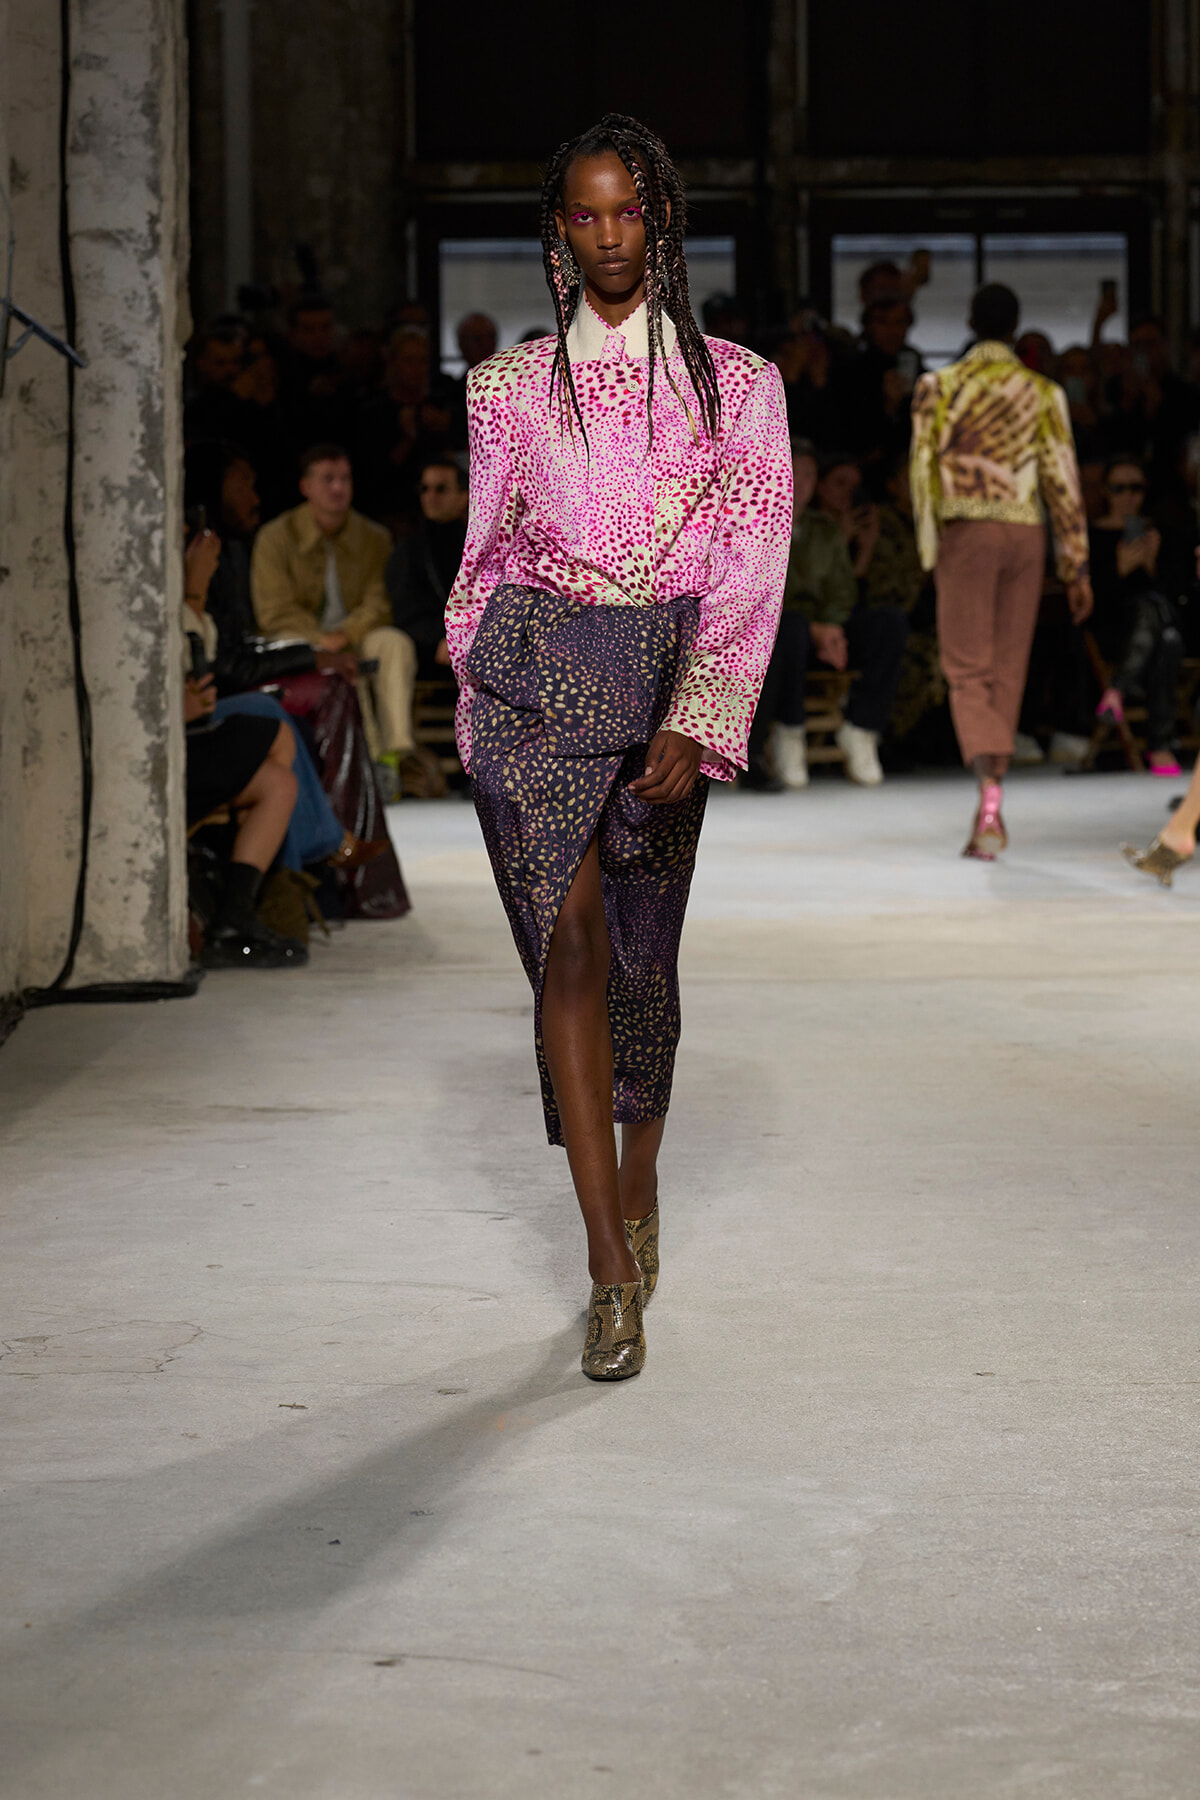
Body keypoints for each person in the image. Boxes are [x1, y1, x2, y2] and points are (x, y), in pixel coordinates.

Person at [445, 113, 790, 1381]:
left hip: (658, 680)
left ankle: (640, 1179)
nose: (605, 236)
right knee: (571, 946)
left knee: (642, 959)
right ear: (556, 233)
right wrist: (471, 682)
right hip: (533, 679)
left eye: (626, 213)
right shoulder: (503, 388)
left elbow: (752, 562)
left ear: (661, 223)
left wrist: (700, 715)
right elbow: (483, 553)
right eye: (582, 216)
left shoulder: (739, 385)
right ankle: (603, 1259)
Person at [910, 283, 1092, 858]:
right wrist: (1077, 564)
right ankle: (996, 788)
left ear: (971, 320)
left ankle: (988, 792)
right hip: (1026, 530)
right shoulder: (1043, 392)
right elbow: (1062, 480)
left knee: (968, 665)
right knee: (1009, 664)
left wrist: (929, 548)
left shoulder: (938, 386)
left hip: (967, 528)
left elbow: (921, 473)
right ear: (1015, 328)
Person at [250, 443, 432, 796]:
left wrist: (346, 633)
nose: (338, 488)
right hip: (302, 638)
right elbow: (273, 610)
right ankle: (360, 763)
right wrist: (322, 639)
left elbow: (380, 600)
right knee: (328, 660)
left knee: (393, 643)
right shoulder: (276, 537)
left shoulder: (373, 537)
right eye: (328, 479)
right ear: (306, 486)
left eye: (345, 479)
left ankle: (393, 756)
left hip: (354, 635)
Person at [748, 440, 907, 789]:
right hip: (780, 635)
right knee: (791, 626)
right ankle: (789, 731)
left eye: (809, 473)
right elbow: (761, 592)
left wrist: (831, 625)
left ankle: (861, 727)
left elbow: (843, 589)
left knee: (888, 622)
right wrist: (816, 628)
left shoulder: (824, 529)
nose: (802, 480)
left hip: (825, 634)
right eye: (796, 470)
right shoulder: (755, 524)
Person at [1089, 456, 1185, 775]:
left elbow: (1177, 596)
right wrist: (1119, 570)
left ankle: (1116, 691)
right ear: (1105, 491)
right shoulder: (1093, 536)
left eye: (1136, 488)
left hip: (1159, 633)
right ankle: (1159, 746)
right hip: (1114, 631)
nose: (1128, 496)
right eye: (1119, 488)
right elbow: (1092, 601)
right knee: (1154, 617)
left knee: (1167, 634)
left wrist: (1152, 565)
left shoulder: (1157, 534)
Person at [385, 455, 467, 681]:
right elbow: (406, 611)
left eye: (441, 489)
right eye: (424, 488)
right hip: (428, 649)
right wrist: (443, 638)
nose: (430, 497)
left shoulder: (482, 544)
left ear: (464, 496)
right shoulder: (409, 549)